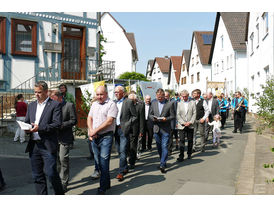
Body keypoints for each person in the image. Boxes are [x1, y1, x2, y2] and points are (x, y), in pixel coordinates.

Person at [25, 81, 64, 195]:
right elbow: (27, 122)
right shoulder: (31, 105)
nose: (36, 95)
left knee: (51, 173)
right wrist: (26, 128)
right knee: (37, 176)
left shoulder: (55, 105)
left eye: (39, 92)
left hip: (48, 145)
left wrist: (39, 128)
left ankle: (60, 194)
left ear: (46, 92)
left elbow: (57, 124)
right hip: (34, 145)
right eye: (35, 92)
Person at [87, 85, 118, 195]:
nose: (99, 96)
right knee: (98, 162)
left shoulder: (111, 104)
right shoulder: (94, 104)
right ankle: (107, 183)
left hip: (106, 136)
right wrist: (91, 131)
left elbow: (109, 121)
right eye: (97, 94)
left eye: (101, 94)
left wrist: (94, 131)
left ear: (106, 94)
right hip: (95, 137)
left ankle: (102, 187)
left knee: (104, 161)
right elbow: (89, 118)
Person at [50, 90, 77, 193]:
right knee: (55, 161)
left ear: (59, 97)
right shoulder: (52, 106)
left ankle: (63, 183)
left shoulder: (69, 105)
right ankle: (57, 182)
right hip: (53, 138)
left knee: (63, 160)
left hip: (65, 137)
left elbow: (74, 120)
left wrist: (62, 125)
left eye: (52, 98)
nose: (51, 100)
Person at [149, 88, 175, 173]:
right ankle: (162, 160)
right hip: (156, 128)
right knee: (159, 147)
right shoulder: (153, 103)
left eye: (161, 97)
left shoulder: (170, 104)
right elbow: (150, 114)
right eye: (158, 97)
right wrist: (153, 118)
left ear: (164, 96)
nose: (159, 98)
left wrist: (165, 119)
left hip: (165, 129)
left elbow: (172, 116)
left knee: (164, 146)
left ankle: (162, 164)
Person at [114, 86, 137, 181]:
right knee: (119, 151)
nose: (115, 94)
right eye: (115, 92)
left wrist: (128, 124)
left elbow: (135, 116)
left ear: (122, 93)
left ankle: (120, 172)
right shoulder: (113, 103)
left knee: (123, 151)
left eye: (117, 92)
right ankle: (125, 167)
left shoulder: (128, 102)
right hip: (115, 130)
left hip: (124, 129)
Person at [176, 90, 196, 162]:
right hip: (182, 125)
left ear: (188, 96)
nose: (184, 97)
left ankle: (189, 153)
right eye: (183, 96)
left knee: (190, 140)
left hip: (190, 125)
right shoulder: (179, 104)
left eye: (185, 96)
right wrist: (183, 122)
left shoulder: (192, 103)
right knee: (182, 140)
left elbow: (194, 113)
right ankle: (181, 155)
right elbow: (177, 115)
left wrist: (190, 122)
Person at [128, 91, 145, 169]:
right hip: (126, 129)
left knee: (133, 145)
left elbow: (142, 120)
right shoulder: (126, 106)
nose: (130, 101)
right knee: (127, 146)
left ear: (135, 100)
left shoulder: (140, 107)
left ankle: (132, 161)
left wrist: (141, 131)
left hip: (135, 129)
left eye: (132, 100)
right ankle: (129, 157)